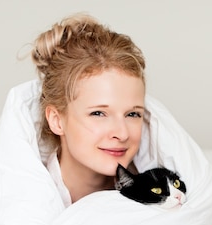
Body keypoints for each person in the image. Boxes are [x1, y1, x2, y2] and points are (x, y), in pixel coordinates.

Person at [32, 13, 146, 205]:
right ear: (56, 120)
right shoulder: (24, 202)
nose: (122, 133)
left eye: (133, 114)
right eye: (98, 113)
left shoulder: (159, 197)